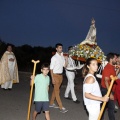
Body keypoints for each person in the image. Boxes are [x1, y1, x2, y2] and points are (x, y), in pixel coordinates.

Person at [49, 43, 68, 113]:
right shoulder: (54, 58)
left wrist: (66, 59)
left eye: (61, 47)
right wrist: (52, 78)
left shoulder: (62, 57)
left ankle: (51, 103)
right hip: (55, 75)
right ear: (56, 49)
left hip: (61, 76)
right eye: (59, 47)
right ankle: (61, 107)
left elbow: (65, 66)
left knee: (55, 90)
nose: (61, 49)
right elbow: (51, 69)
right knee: (57, 91)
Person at [101, 53, 119, 120]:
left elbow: (114, 77)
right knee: (109, 108)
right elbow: (106, 81)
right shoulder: (108, 68)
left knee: (108, 108)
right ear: (111, 59)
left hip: (110, 89)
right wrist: (110, 93)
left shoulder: (112, 66)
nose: (116, 60)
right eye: (115, 58)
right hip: (106, 90)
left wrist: (118, 69)